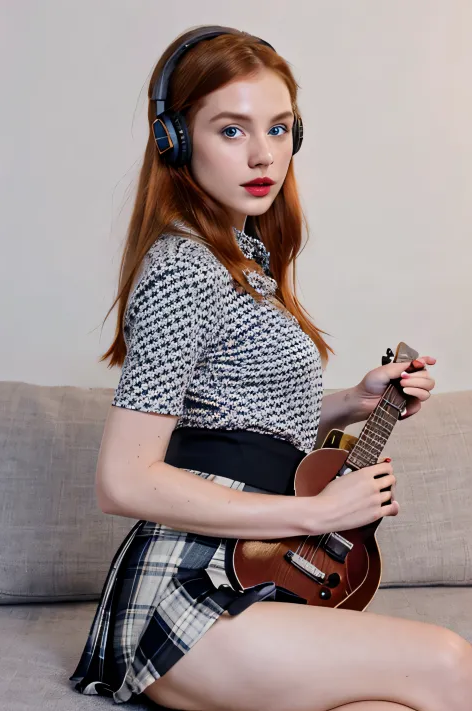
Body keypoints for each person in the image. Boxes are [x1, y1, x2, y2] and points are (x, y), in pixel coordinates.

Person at [69, 24, 471, 711]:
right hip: (185, 588)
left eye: (280, 129)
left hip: (247, 567)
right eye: (231, 130)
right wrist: (315, 508)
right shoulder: (182, 267)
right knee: (450, 664)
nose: (263, 154)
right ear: (174, 140)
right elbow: (122, 478)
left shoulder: (245, 261)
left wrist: (352, 399)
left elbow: (234, 418)